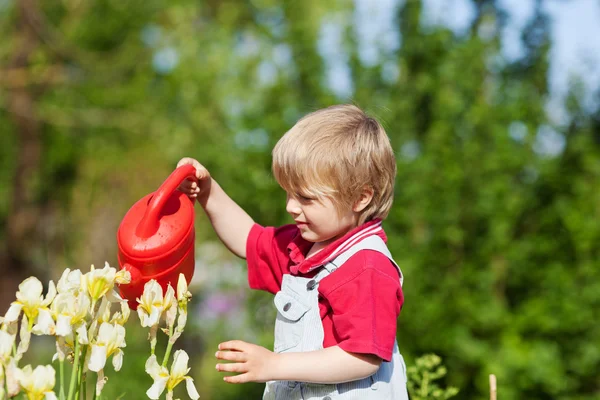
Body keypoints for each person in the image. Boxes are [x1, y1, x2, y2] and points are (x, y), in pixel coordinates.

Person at [177, 104, 408, 399]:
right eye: (288, 193)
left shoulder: (367, 266)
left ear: (360, 197)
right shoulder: (302, 248)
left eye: (306, 198)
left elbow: (362, 358)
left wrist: (275, 364)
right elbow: (248, 239)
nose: (290, 207)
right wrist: (208, 191)